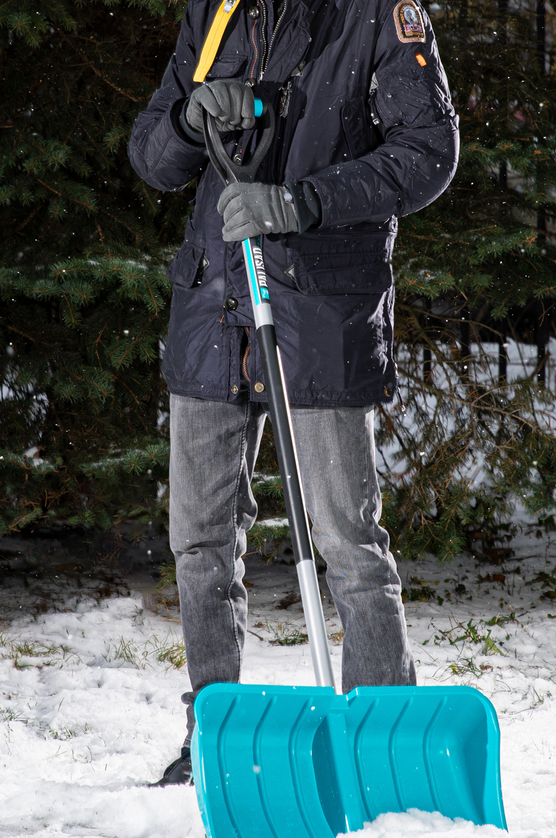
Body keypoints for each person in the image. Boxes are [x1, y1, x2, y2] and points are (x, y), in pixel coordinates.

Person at [129, 0, 458, 785]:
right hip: (215, 306)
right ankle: (214, 730)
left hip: (319, 313)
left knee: (346, 537)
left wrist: (303, 201)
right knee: (200, 538)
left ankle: (380, 735)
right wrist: (184, 120)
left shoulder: (378, 14)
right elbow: (149, 157)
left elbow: (430, 151)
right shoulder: (217, 15)